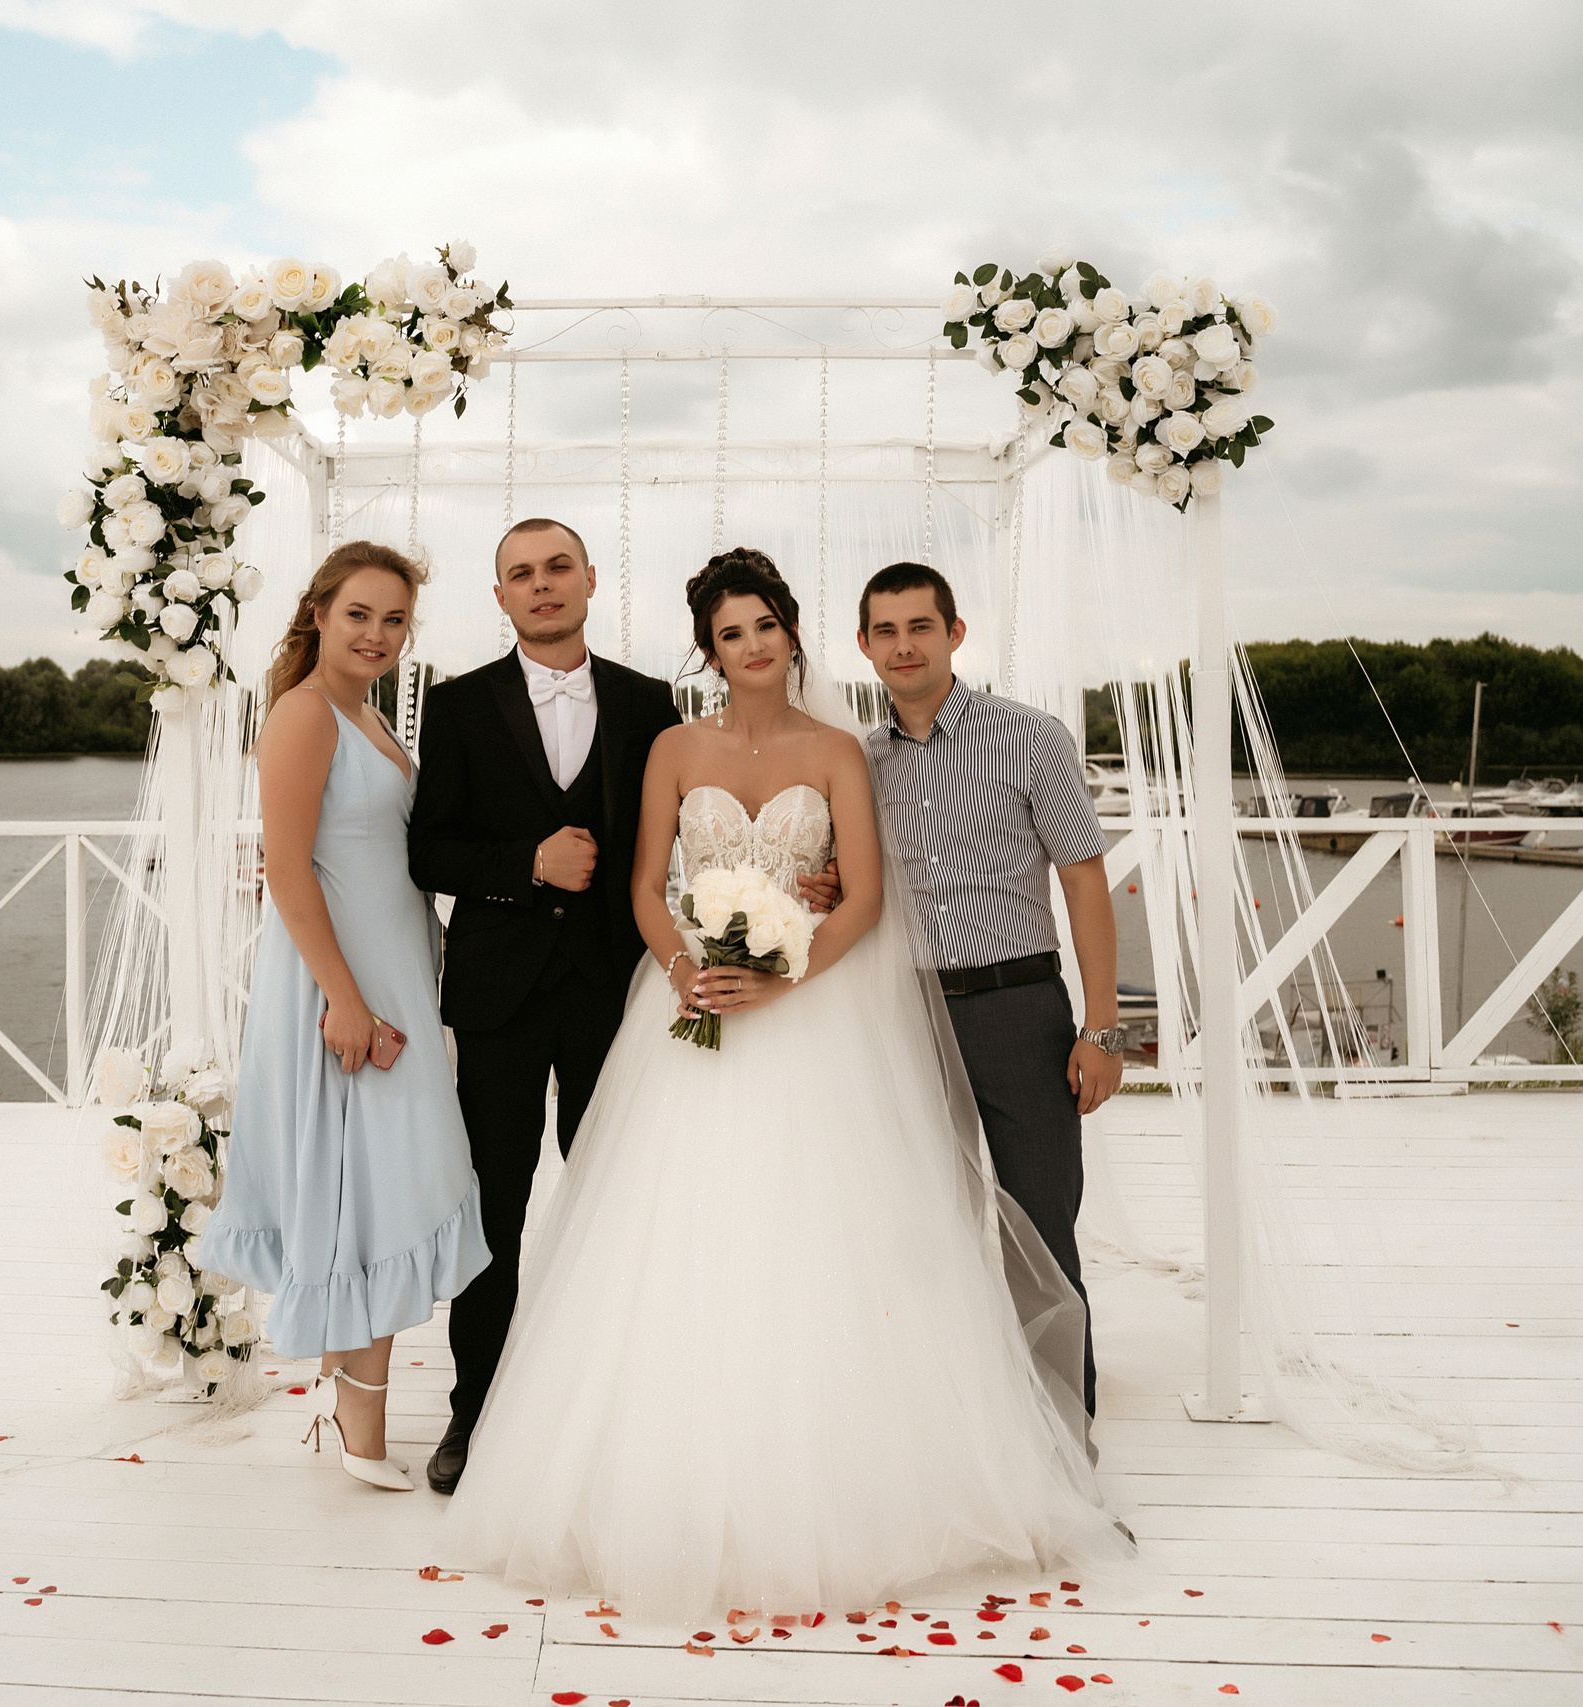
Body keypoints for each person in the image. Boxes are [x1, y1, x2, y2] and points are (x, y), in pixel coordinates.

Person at [443, 547, 1126, 1619]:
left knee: (875, 1229)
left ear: (796, 633)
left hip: (819, 1015)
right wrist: (683, 969)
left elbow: (857, 894)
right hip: (689, 1013)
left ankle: (1039, 1441)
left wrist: (781, 966)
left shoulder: (843, 753)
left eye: (765, 626)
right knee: (681, 1237)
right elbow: (642, 882)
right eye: (730, 633)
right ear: (707, 650)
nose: (752, 646)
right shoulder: (672, 746)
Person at [201, 540, 489, 1493]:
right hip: (343, 990)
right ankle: (360, 1420)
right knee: (391, 1192)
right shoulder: (301, 714)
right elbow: (287, 872)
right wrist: (347, 1001)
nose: (376, 633)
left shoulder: (365, 716)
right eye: (358, 613)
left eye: (394, 618)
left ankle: (347, 1398)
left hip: (391, 977)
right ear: (318, 611)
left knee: (377, 1188)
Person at [406, 517, 681, 1496]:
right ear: (500, 598)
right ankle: (473, 1414)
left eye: (557, 566)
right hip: (499, 1001)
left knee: (619, 1203)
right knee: (495, 1211)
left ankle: (618, 1411)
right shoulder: (457, 706)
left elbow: (685, 831)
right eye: (520, 573)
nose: (542, 584)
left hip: (618, 996)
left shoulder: (652, 703)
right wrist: (525, 865)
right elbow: (427, 852)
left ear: (590, 579)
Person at [855, 561, 1128, 1417]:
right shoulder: (860, 762)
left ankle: (1063, 1430)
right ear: (864, 646)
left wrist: (1105, 1027)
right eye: (886, 631)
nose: (904, 646)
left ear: (954, 633)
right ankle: (954, 1422)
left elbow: (1085, 880)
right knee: (919, 1227)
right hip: (906, 1017)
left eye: (920, 627)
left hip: (1018, 1008)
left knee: (1040, 1228)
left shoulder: (1030, 737)